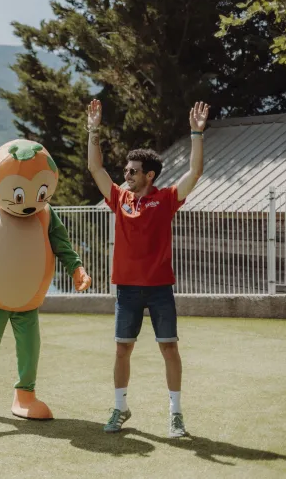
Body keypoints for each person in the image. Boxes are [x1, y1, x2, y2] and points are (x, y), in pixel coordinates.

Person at [86, 99, 209, 437]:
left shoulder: (166, 198)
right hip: (126, 290)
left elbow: (195, 172)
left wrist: (196, 133)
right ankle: (120, 407)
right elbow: (96, 169)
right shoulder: (119, 199)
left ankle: (176, 414)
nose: (126, 175)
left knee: (169, 348)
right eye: (125, 171)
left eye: (132, 171)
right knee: (122, 349)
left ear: (149, 175)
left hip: (159, 290)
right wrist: (93, 130)